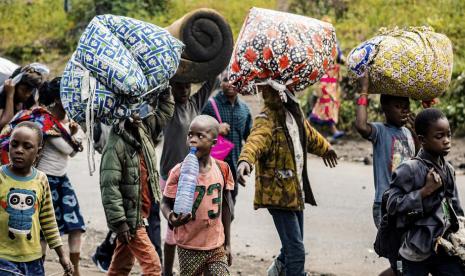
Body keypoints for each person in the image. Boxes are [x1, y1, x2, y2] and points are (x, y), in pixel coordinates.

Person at [237, 85, 338, 276]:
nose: (289, 90)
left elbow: (309, 134)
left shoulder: (294, 113)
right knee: (296, 251)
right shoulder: (267, 118)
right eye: (283, 88)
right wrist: (245, 161)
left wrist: (326, 148)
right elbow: (255, 141)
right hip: (277, 195)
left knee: (291, 244)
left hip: (294, 193)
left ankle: (276, 272)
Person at [99, 86, 174, 276]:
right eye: (132, 111)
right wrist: (120, 222)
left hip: (142, 212)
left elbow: (164, 113)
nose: (138, 114)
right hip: (131, 219)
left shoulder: (143, 129)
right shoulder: (115, 145)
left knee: (120, 267)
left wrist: (166, 93)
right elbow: (109, 187)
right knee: (153, 267)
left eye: (139, 108)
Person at [386, 108, 464, 275]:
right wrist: (424, 191)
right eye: (439, 136)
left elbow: (455, 206)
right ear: (422, 140)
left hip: (443, 245)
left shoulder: (448, 169)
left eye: (448, 135)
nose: (446, 141)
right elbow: (392, 205)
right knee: (400, 270)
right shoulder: (409, 169)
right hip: (415, 248)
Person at [355, 73, 417, 276]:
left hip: (407, 204)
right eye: (398, 106)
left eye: (406, 105)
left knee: (404, 261)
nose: (404, 110)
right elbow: (361, 126)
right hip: (387, 206)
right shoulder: (381, 131)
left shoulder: (408, 133)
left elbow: (418, 157)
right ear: (385, 108)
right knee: (398, 260)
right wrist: (364, 90)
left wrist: (416, 131)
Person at [158, 78, 218, 276]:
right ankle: (167, 271)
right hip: (171, 176)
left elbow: (210, 81)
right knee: (173, 226)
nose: (183, 89)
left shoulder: (195, 104)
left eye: (186, 85)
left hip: (194, 179)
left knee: (191, 223)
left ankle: (196, 264)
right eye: (179, 85)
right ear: (171, 87)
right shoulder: (167, 108)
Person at [161, 115, 234, 276]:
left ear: (214, 142)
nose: (193, 140)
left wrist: (227, 243)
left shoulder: (223, 169)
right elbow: (165, 203)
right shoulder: (179, 171)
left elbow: (227, 206)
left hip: (216, 244)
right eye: (190, 134)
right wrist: (170, 217)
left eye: (200, 136)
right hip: (189, 245)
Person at [0, 122, 73, 275]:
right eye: (14, 145)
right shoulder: (1, 177)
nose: (19, 150)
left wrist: (62, 255)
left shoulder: (41, 180)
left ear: (38, 152)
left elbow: (48, 221)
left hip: (33, 259)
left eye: (27, 147)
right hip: (3, 258)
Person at [36, 78, 85, 276]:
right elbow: (68, 149)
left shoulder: (63, 124)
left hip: (62, 180)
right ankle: (38, 270)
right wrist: (76, 135)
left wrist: (74, 136)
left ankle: (75, 271)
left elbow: (73, 150)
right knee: (45, 231)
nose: (72, 100)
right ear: (58, 99)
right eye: (68, 96)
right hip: (45, 181)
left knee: (76, 226)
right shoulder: (47, 122)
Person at [202, 73, 252, 203]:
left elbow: (250, 139)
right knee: (211, 205)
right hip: (211, 168)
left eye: (234, 80)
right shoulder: (209, 105)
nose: (230, 83)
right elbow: (196, 132)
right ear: (220, 83)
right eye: (226, 80)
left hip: (234, 169)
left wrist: (247, 162)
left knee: (230, 207)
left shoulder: (245, 110)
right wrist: (216, 128)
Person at [309, 16, 345, 141]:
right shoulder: (318, 42)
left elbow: (340, 57)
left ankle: (310, 124)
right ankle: (332, 129)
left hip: (333, 78)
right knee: (326, 99)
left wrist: (345, 61)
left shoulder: (334, 41)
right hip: (324, 77)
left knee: (331, 101)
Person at [0, 65, 46, 130]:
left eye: (30, 91)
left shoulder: (28, 101)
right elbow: (4, 125)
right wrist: (10, 95)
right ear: (14, 85)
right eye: (23, 90)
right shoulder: (3, 97)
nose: (27, 95)